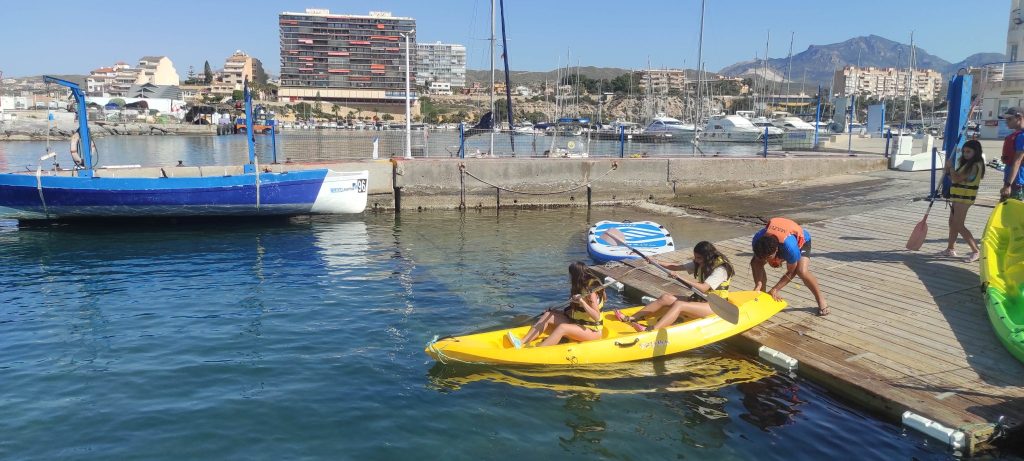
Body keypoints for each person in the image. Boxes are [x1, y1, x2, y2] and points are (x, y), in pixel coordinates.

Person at [613, 241, 734, 332]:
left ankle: (652, 329)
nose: (696, 260)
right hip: (701, 300)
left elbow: (703, 288)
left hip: (716, 306)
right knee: (665, 297)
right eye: (695, 257)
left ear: (708, 256)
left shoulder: (721, 269)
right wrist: (654, 261)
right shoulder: (701, 262)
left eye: (699, 258)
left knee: (679, 304)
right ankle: (632, 318)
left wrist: (680, 278)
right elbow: (676, 267)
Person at [509, 261, 606, 348]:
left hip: (592, 331)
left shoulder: (591, 293)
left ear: (575, 276)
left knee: (562, 327)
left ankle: (539, 350)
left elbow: (596, 316)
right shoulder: (580, 288)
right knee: (548, 315)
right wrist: (556, 312)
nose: (569, 277)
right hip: (578, 323)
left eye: (570, 275)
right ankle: (521, 342)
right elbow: (576, 312)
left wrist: (582, 302)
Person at [751, 217, 828, 316]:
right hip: (776, 242)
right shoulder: (757, 240)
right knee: (756, 262)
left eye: (769, 257)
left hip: (802, 241)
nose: (767, 260)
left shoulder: (789, 248)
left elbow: (792, 271)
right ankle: (761, 294)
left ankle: (820, 299)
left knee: (801, 271)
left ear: (776, 250)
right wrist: (758, 283)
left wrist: (775, 289)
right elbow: (756, 262)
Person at [942, 139, 985, 262]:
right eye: (964, 151)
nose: (965, 154)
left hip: (964, 199)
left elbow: (956, 179)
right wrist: (948, 171)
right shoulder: (967, 164)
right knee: (952, 222)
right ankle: (950, 249)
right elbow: (954, 178)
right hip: (958, 197)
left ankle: (976, 251)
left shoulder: (974, 165)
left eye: (968, 151)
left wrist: (951, 168)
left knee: (958, 225)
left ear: (976, 152)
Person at [1001, 107, 1024, 202]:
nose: (1006, 122)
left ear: (1019, 118)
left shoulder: (1021, 136)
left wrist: (1008, 185)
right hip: (1012, 180)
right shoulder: (1017, 135)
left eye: (1009, 119)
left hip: (1016, 182)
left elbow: (1017, 161)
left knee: (1010, 209)